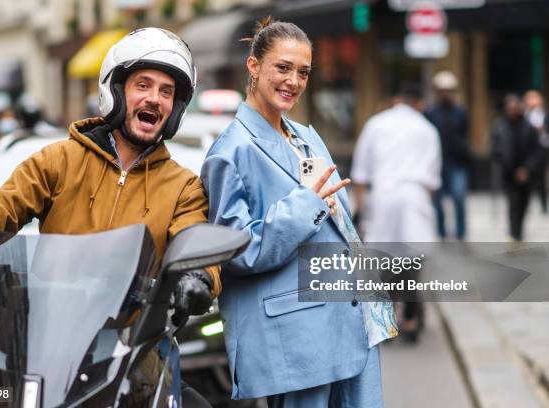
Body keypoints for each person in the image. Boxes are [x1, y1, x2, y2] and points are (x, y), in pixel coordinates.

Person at [0, 28, 219, 327]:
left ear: (175, 108)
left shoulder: (184, 187)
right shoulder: (59, 160)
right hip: (50, 336)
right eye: (143, 85)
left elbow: (194, 240)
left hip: (135, 351)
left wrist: (199, 276)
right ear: (117, 90)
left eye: (166, 91)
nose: (154, 99)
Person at [201, 18, 397, 407]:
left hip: (354, 321)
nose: (294, 81)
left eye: (303, 72)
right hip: (296, 337)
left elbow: (339, 222)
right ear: (253, 67)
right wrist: (305, 205)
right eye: (283, 68)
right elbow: (236, 251)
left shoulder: (307, 135)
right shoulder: (230, 152)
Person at [351, 84, 441, 342]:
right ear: (417, 103)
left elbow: (360, 173)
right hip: (415, 197)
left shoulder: (376, 124)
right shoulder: (427, 129)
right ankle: (410, 319)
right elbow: (433, 181)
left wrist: (361, 210)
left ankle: (388, 320)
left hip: (384, 197)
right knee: (412, 261)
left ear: (396, 100)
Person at [491, 94, 544, 241]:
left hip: (527, 173)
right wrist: (503, 160)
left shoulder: (529, 128)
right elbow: (496, 148)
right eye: (510, 108)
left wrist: (527, 168)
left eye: (515, 108)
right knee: (513, 203)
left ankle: (518, 232)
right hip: (509, 174)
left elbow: (537, 150)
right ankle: (514, 234)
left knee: (523, 204)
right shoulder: (500, 127)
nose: (513, 111)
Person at [424, 71, 470, 240]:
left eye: (448, 90)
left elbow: (465, 134)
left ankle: (460, 231)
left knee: (458, 196)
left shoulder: (460, 112)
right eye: (442, 90)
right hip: (437, 163)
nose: (445, 93)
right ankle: (441, 230)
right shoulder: (430, 113)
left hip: (457, 162)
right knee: (438, 200)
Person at [522, 90, 549, 213]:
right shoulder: (524, 115)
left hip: (542, 149)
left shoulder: (544, 115)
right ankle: (526, 204)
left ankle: (543, 203)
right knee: (528, 178)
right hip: (527, 150)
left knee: (541, 179)